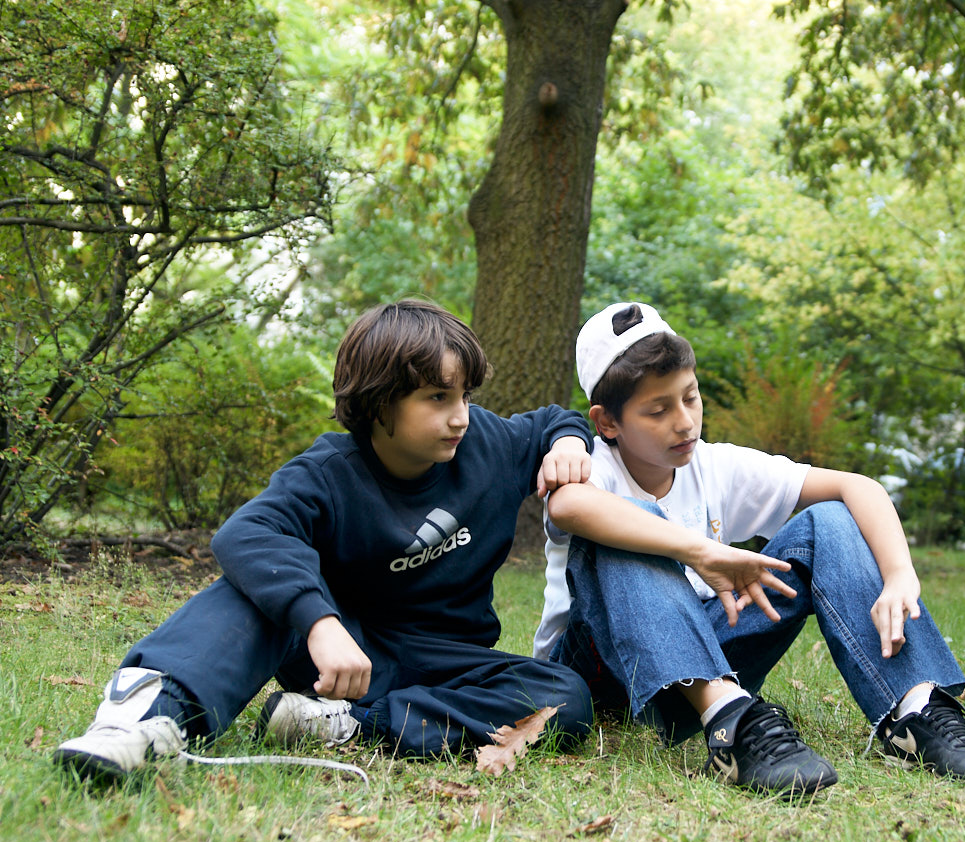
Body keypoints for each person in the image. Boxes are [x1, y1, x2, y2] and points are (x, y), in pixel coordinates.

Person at [55, 299, 595, 780]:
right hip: (339, 658)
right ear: (380, 401)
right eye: (436, 397)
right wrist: (320, 622)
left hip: (445, 658)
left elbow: (553, 420)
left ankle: (343, 726)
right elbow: (248, 532)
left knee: (561, 698)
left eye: (464, 395)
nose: (459, 417)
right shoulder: (329, 472)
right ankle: (143, 720)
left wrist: (568, 442)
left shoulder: (486, 441)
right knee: (252, 591)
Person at [533, 302, 965, 798]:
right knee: (626, 523)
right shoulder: (592, 463)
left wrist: (899, 576)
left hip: (703, 658)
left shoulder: (715, 465)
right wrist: (699, 551)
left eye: (691, 398)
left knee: (829, 519)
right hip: (602, 676)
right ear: (607, 422)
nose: (684, 421)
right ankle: (730, 724)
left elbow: (857, 487)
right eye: (658, 410)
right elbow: (567, 506)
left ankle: (913, 708)